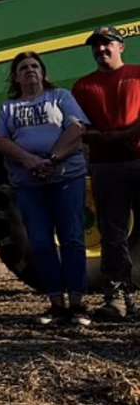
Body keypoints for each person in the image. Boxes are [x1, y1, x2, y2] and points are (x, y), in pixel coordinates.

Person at [0, 52, 90, 326]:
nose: (30, 70)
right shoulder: (8, 108)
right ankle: (56, 303)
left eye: (35, 66)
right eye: (23, 67)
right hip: (28, 184)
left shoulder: (60, 97)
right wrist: (29, 160)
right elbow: (0, 140)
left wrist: (53, 158)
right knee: (40, 241)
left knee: (72, 237)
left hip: (66, 178)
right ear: (16, 76)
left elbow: (76, 128)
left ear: (43, 72)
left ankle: (78, 303)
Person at [73, 26, 140, 319]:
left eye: (107, 44)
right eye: (96, 47)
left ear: (121, 46)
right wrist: (105, 138)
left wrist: (123, 134)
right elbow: (79, 128)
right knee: (112, 234)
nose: (101, 50)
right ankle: (117, 297)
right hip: (105, 166)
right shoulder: (83, 87)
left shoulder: (137, 75)